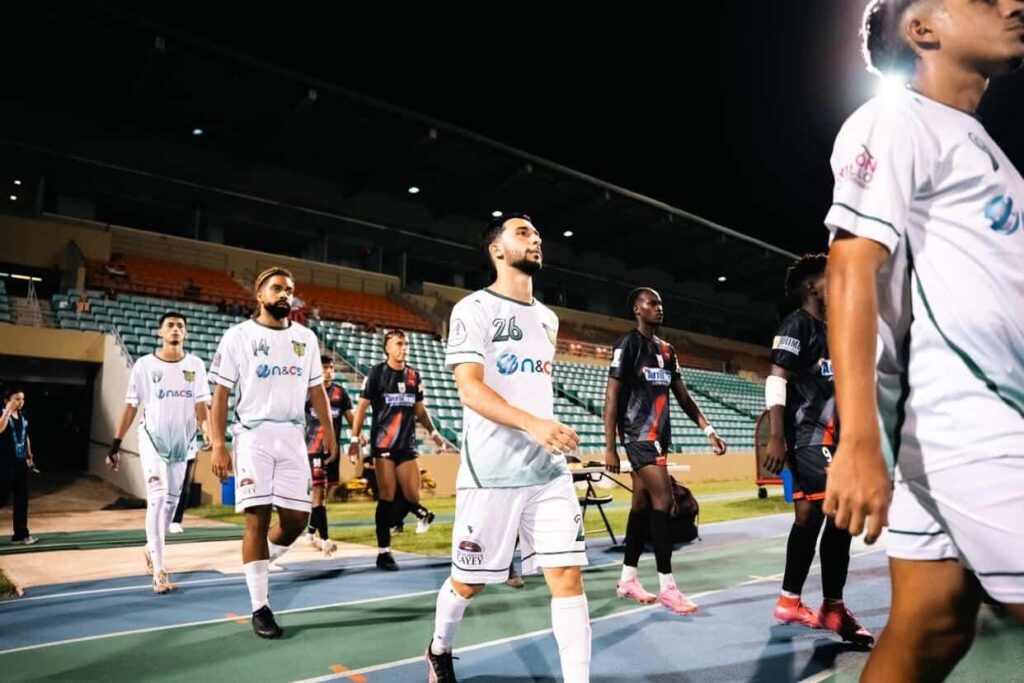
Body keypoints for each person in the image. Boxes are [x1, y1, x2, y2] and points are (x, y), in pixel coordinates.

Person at [824, 1, 1024, 679]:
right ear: (922, 29)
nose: (1013, 4)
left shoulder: (977, 144)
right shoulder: (897, 118)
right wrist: (856, 441)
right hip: (974, 428)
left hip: (958, 430)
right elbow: (849, 265)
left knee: (930, 627)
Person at [425, 213, 590, 683]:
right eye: (523, 233)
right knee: (469, 582)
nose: (535, 239)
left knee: (567, 577)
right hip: (491, 472)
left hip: (547, 471)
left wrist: (547, 431)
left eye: (537, 233)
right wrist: (532, 424)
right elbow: (469, 390)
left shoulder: (548, 319)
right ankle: (438, 648)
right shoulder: (473, 309)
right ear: (496, 249)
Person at [208, 267, 336, 639]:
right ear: (259, 295)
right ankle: (260, 606)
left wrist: (329, 432)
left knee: (297, 520)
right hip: (253, 436)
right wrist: (219, 444)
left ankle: (257, 561)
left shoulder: (306, 338)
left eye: (289, 290)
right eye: (277, 288)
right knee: (257, 519)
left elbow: (317, 391)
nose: (284, 294)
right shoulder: (238, 336)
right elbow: (220, 394)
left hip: (293, 436)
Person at [762, 255, 872, 644]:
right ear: (811, 285)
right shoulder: (797, 324)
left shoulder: (833, 331)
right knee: (841, 511)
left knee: (809, 517)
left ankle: (789, 600)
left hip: (831, 438)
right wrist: (776, 437)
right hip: (808, 438)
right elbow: (776, 379)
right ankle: (833, 608)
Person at [604, 287, 726, 614]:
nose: (659, 308)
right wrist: (610, 448)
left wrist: (709, 430)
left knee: (642, 504)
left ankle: (628, 579)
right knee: (665, 502)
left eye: (660, 303)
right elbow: (612, 397)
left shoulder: (667, 350)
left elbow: (683, 397)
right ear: (637, 309)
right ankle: (668, 588)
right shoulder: (627, 345)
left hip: (660, 436)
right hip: (638, 435)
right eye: (652, 303)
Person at [108, 313, 211, 593]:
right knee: (157, 498)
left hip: (183, 443)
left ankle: (150, 548)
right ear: (159, 333)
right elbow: (131, 406)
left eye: (180, 326)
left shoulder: (195, 365)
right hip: (152, 440)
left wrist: (208, 431)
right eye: (170, 325)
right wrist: (115, 444)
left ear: (185, 333)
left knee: (170, 506)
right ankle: (160, 570)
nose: (175, 329)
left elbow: (202, 406)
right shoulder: (144, 365)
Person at [349, 329, 444, 571]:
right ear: (387, 348)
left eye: (406, 344)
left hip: (406, 445)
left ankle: (395, 522)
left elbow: (420, 409)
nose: (404, 348)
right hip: (383, 445)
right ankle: (384, 552)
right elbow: (361, 408)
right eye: (399, 344)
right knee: (387, 497)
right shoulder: (376, 374)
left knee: (412, 496)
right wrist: (354, 438)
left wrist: (434, 433)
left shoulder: (414, 375)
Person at [304, 354, 356, 556]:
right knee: (317, 493)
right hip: (313, 449)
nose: (328, 371)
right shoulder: (307, 392)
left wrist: (357, 436)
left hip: (332, 451)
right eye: (324, 367)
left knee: (324, 494)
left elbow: (351, 417)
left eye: (331, 367)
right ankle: (325, 539)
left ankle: (310, 532)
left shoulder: (340, 393)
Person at [169, 398, 212, 534]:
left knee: (183, 483)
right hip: (164, 441)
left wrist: (207, 430)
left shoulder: (195, 387)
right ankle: (162, 518)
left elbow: (203, 406)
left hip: (187, 442)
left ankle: (176, 520)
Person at [0, 388, 37, 545]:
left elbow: (25, 436)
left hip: (20, 462)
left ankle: (21, 535)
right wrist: (7, 412)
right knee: (2, 496)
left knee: (22, 499)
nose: (20, 402)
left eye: (22, 399)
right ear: (7, 400)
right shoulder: (2, 414)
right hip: (4, 462)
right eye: (16, 399)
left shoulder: (22, 416)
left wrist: (29, 456)